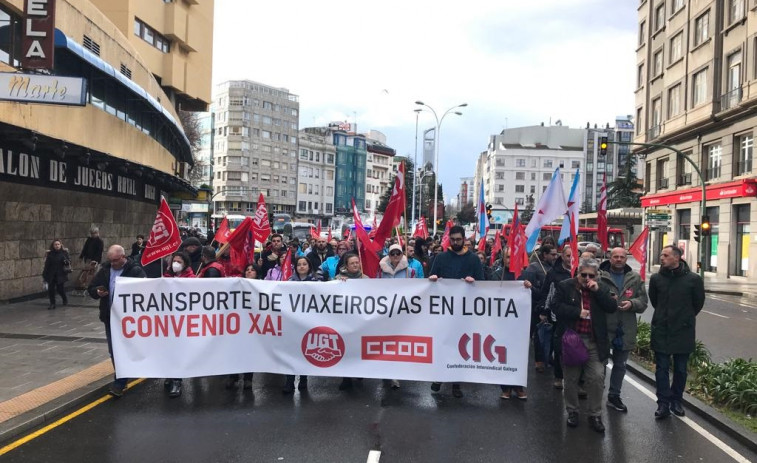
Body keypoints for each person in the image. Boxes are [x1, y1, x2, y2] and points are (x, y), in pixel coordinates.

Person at [553, 258, 616, 433]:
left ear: (596, 276)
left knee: (596, 378)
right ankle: (572, 411)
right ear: (577, 272)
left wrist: (599, 292)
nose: (586, 278)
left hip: (594, 341)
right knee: (571, 379)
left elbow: (612, 307)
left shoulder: (600, 288)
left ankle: (595, 414)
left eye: (591, 275)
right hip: (573, 340)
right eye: (583, 274)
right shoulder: (565, 286)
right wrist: (577, 312)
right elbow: (555, 306)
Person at [428, 225, 484, 399]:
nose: (456, 242)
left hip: (464, 312)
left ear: (464, 239)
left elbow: (482, 283)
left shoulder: (473, 259)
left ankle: (456, 383)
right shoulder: (441, 257)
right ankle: (439, 377)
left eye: (459, 239)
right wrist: (434, 279)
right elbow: (432, 278)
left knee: (460, 346)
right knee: (442, 344)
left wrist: (473, 281)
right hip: (444, 311)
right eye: (453, 240)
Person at [649, 245, 705, 420]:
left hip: (683, 331)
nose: (662, 257)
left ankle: (676, 401)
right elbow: (654, 301)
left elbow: (698, 303)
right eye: (662, 254)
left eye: (665, 255)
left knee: (681, 370)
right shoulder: (656, 279)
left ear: (677, 258)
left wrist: (685, 319)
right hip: (662, 330)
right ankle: (663, 403)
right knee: (662, 369)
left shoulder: (693, 280)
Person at [88, 245, 146, 397]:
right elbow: (91, 287)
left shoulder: (135, 271)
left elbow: (144, 291)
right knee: (114, 350)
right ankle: (120, 381)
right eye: (110, 260)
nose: (112, 263)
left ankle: (129, 372)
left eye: (114, 261)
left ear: (123, 257)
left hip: (130, 320)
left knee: (129, 349)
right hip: (110, 317)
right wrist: (97, 292)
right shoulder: (105, 270)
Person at [599, 247, 648, 413]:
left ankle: (614, 395)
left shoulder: (634, 278)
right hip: (604, 327)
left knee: (620, 365)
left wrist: (632, 304)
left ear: (626, 259)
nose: (619, 259)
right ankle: (596, 393)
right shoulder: (600, 276)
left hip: (625, 328)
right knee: (600, 364)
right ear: (609, 258)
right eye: (615, 257)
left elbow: (643, 302)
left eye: (622, 257)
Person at [496, 249, 533, 400]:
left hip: (519, 323)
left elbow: (534, 296)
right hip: (501, 322)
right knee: (502, 354)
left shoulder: (524, 275)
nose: (510, 260)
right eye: (507, 257)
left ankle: (518, 387)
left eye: (513, 257)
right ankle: (505, 387)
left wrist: (529, 287)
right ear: (503, 258)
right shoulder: (497, 275)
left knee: (518, 354)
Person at [538, 245, 574, 390]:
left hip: (578, 316)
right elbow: (546, 292)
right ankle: (559, 376)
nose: (570, 259)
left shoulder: (581, 272)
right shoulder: (554, 273)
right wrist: (544, 311)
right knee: (559, 347)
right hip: (558, 316)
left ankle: (578, 381)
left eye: (573, 256)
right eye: (567, 256)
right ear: (562, 256)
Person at [162, 251, 195, 397]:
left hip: (183, 322)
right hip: (168, 322)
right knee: (168, 350)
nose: (175, 264)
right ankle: (170, 375)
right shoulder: (166, 276)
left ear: (185, 264)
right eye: (174, 261)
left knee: (178, 351)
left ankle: (177, 381)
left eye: (179, 262)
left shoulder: (192, 279)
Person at [283, 256, 317, 393]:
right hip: (292, 322)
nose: (302, 267)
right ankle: (289, 381)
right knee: (290, 351)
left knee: (305, 351)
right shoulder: (289, 282)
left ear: (309, 266)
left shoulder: (317, 282)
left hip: (308, 322)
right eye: (299, 265)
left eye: (304, 264)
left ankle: (303, 379)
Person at [337, 252, 369, 391]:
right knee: (346, 348)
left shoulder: (365, 278)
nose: (356, 265)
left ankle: (359, 371)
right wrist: (339, 283)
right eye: (352, 263)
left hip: (361, 320)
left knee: (359, 347)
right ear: (346, 266)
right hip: (344, 320)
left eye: (357, 262)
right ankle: (346, 378)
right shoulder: (338, 278)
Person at [522, 244, 557, 372]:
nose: (555, 257)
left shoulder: (555, 268)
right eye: (552, 254)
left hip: (552, 307)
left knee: (552, 334)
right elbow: (529, 289)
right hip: (536, 306)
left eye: (556, 254)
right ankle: (539, 361)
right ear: (544, 255)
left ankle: (549, 356)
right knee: (539, 334)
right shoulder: (533, 268)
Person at [42, 239, 71, 310]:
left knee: (60, 289)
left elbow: (68, 262)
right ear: (53, 245)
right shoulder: (50, 254)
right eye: (55, 244)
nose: (57, 246)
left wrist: (65, 261)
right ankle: (52, 303)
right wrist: (44, 274)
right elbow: (47, 264)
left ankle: (64, 298)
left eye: (58, 244)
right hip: (51, 274)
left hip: (60, 274)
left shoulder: (64, 253)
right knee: (51, 289)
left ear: (61, 245)